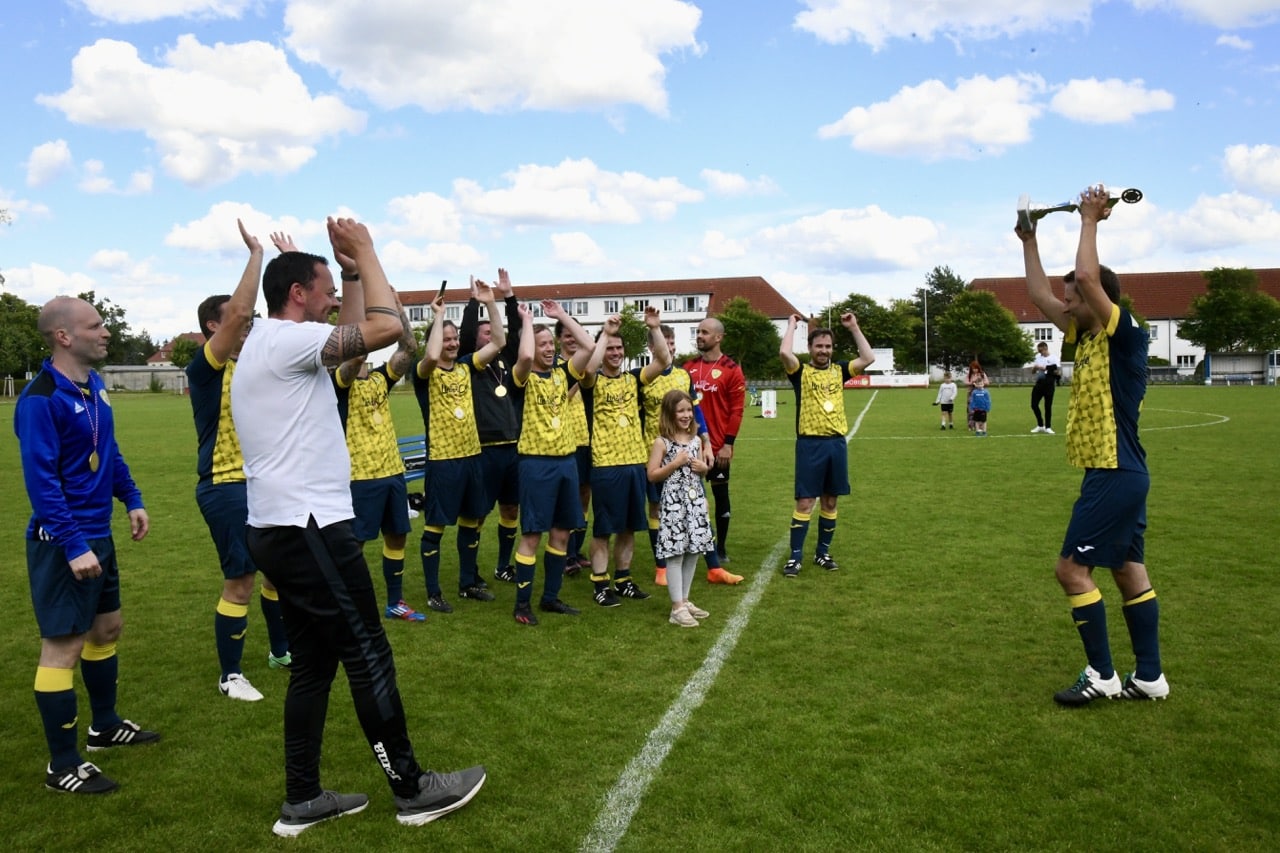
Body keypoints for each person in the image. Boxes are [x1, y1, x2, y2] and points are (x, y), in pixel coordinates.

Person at [231, 217, 484, 836]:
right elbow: (387, 327)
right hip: (308, 526)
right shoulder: (287, 342)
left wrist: (345, 271)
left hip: (282, 525)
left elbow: (349, 327)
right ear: (297, 295)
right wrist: (368, 253)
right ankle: (413, 788)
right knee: (368, 651)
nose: (327, 303)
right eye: (321, 290)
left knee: (316, 666)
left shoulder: (274, 341)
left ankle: (303, 798)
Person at [1017, 183, 1168, 706]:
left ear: (1101, 299)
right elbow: (1040, 295)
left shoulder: (1125, 333)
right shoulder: (1083, 335)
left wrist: (1090, 221)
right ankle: (1149, 677)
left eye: (1075, 298)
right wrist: (1028, 240)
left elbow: (1086, 274)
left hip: (1115, 470)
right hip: (1117, 470)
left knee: (1071, 569)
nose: (1066, 302)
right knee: (1127, 570)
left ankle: (1102, 675)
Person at [16, 295, 159, 795]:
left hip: (98, 533)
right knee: (63, 646)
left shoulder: (93, 385)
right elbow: (41, 482)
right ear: (63, 336)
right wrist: (75, 543)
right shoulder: (40, 398)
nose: (106, 332)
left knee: (107, 627)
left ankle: (104, 726)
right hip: (63, 541)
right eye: (96, 325)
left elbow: (108, 451)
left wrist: (132, 498)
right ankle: (61, 766)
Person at [189, 221, 291, 704]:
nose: (246, 325)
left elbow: (285, 327)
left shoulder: (254, 363)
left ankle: (280, 651)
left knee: (277, 572)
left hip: (262, 483)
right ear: (216, 326)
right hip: (225, 483)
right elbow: (244, 312)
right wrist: (256, 255)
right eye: (236, 321)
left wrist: (291, 262)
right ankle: (230, 676)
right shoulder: (206, 369)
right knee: (241, 580)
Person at [411, 282, 507, 613]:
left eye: (454, 339)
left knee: (471, 522)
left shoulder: (467, 365)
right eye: (446, 339)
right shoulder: (424, 372)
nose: (451, 344)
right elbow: (432, 354)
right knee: (435, 528)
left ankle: (468, 583)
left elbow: (499, 341)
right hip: (443, 461)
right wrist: (437, 317)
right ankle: (433, 591)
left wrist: (491, 303)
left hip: (472, 457)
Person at [334, 297, 423, 622]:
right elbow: (357, 353)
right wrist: (367, 309)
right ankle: (346, 606)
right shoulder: (339, 382)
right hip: (361, 476)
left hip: (392, 473)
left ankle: (395, 601)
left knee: (397, 536)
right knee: (355, 543)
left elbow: (410, 348)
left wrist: (397, 306)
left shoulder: (379, 381)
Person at [509, 300, 595, 625]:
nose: (547, 349)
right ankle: (521, 605)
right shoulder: (522, 378)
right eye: (542, 343)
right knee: (532, 535)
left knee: (561, 534)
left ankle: (550, 598)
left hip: (566, 464)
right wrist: (528, 323)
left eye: (550, 343)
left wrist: (561, 316)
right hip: (536, 464)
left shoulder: (563, 374)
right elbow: (526, 356)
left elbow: (588, 345)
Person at [579, 308, 669, 607]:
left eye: (619, 348)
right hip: (605, 464)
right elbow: (589, 369)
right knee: (604, 529)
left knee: (630, 527)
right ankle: (600, 584)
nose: (615, 353)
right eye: (610, 348)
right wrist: (604, 333)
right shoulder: (592, 382)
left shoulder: (633, 379)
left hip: (634, 463)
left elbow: (663, 361)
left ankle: (623, 578)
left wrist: (654, 328)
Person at [778, 312, 875, 578]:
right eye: (819, 346)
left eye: (828, 346)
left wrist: (854, 327)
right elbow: (784, 353)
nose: (824, 351)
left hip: (836, 444)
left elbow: (868, 358)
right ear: (810, 348)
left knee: (830, 501)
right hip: (810, 445)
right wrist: (791, 326)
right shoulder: (800, 372)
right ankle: (795, 558)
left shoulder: (840, 370)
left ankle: (822, 553)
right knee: (806, 502)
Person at [458, 270, 523, 585]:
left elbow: (516, 331)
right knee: (478, 513)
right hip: (483, 449)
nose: (490, 335)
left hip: (513, 447)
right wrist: (474, 302)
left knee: (511, 509)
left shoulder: (507, 360)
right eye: (485, 332)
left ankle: (502, 565)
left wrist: (508, 297)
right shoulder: (469, 363)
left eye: (492, 331)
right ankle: (469, 572)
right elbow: (467, 331)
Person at [638, 324, 714, 587]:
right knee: (657, 508)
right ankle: (662, 565)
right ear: (653, 347)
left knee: (696, 502)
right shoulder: (644, 377)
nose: (669, 348)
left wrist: (706, 441)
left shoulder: (683, 375)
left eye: (672, 343)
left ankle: (710, 564)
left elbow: (696, 411)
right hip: (654, 450)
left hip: (687, 450)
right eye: (664, 343)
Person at [682, 317, 745, 582]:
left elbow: (737, 410)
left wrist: (728, 444)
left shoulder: (731, 369)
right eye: (698, 332)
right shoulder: (687, 368)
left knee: (721, 497)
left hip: (719, 447)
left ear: (718, 337)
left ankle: (720, 548)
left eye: (704, 333)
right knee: (692, 499)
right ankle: (694, 546)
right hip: (691, 447)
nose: (699, 336)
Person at [647, 390, 715, 627]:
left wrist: (702, 469)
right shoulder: (662, 442)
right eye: (680, 411)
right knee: (675, 554)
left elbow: (699, 472)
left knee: (693, 551)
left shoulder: (696, 441)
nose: (686, 415)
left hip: (694, 502)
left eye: (689, 410)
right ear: (670, 414)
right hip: (674, 503)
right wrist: (674, 464)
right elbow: (652, 474)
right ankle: (676, 608)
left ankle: (685, 601)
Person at [555, 317, 593, 576]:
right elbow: (559, 399)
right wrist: (578, 379)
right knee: (567, 499)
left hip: (588, 440)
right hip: (565, 441)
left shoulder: (589, 366)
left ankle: (577, 550)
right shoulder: (557, 368)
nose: (571, 338)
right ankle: (566, 554)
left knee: (584, 496)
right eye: (566, 335)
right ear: (560, 338)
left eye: (575, 334)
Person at [1029, 340, 1059, 434]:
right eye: (1039, 351)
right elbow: (1033, 372)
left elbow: (1057, 372)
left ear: (1045, 349)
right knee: (1034, 404)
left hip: (1049, 383)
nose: (1040, 353)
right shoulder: (1038, 358)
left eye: (1041, 351)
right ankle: (1040, 425)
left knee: (1048, 406)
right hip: (1039, 383)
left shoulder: (1054, 358)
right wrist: (1034, 368)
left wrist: (1045, 368)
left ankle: (1048, 427)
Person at [965, 360, 987, 432]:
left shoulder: (982, 374)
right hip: (971, 394)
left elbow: (987, 382)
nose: (975, 370)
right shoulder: (969, 375)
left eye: (976, 368)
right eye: (973, 368)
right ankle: (971, 425)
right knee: (971, 410)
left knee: (980, 410)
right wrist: (972, 382)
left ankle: (980, 426)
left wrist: (980, 383)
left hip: (980, 394)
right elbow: (966, 382)